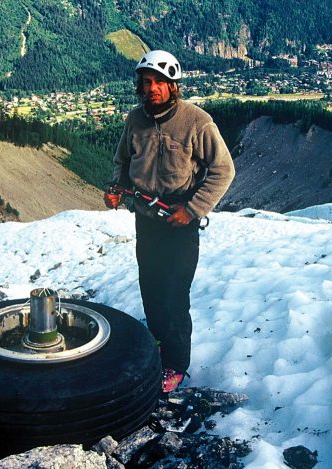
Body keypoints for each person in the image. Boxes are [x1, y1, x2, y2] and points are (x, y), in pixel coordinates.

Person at [104, 50, 235, 393]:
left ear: (173, 86)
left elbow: (224, 170)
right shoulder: (135, 120)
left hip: (180, 223)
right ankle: (158, 348)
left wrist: (193, 209)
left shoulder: (196, 121)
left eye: (160, 82)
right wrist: (118, 188)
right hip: (147, 220)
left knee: (174, 295)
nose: (152, 88)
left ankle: (176, 364)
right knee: (151, 288)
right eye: (146, 83)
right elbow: (123, 161)